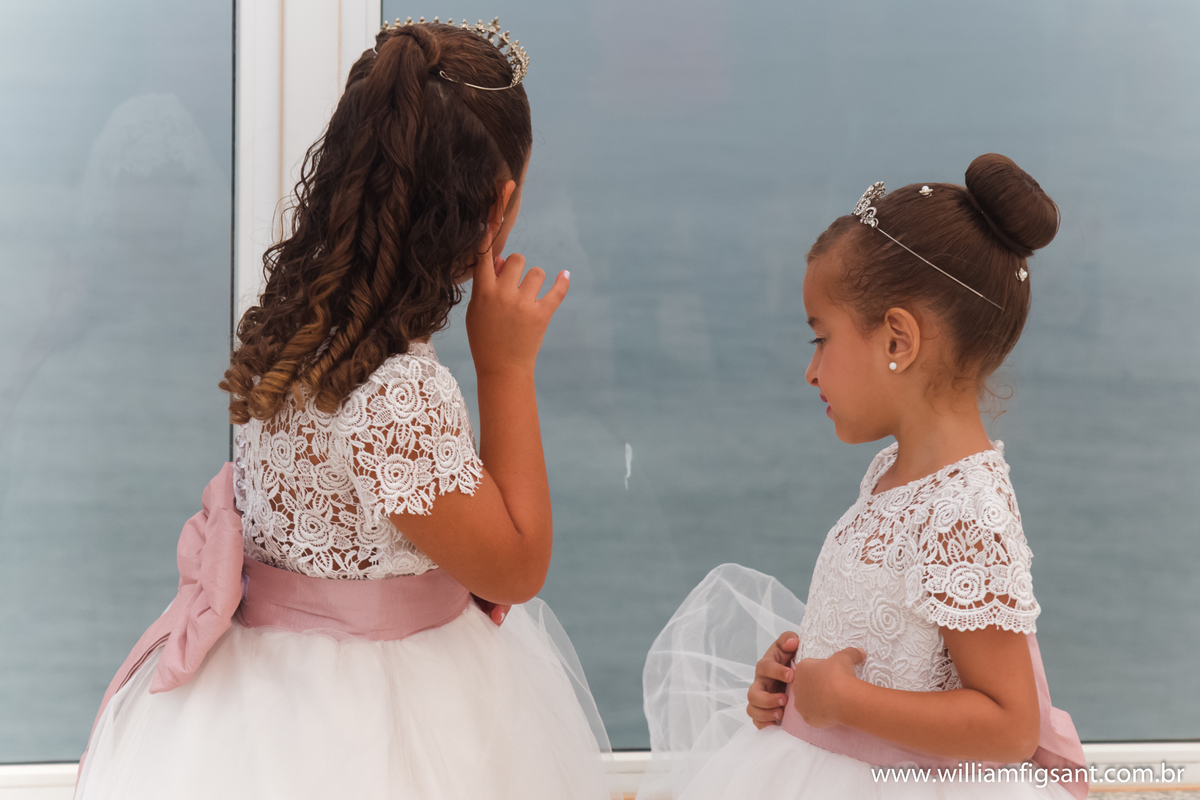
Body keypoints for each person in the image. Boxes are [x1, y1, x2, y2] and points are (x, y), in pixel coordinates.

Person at [76, 18, 612, 800]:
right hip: (375, 720)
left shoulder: (294, 323)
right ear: (499, 206)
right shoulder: (396, 393)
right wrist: (505, 365)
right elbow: (518, 566)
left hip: (253, 699)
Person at [639, 154, 1087, 799]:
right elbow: (892, 643)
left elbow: (1009, 725)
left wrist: (846, 702)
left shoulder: (966, 511)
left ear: (897, 341)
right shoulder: (894, 473)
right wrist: (796, 689)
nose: (811, 371)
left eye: (820, 338)